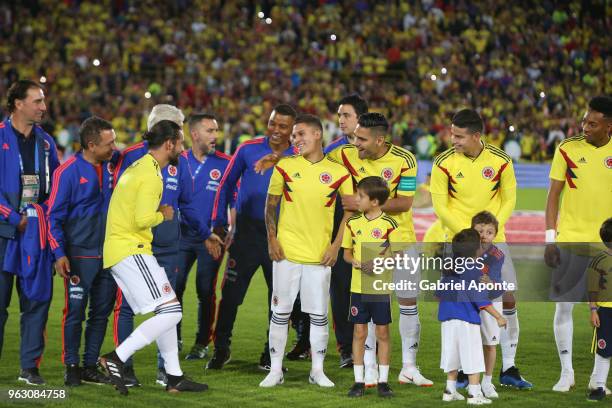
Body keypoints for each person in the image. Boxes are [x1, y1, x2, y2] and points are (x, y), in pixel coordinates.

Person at [99, 120, 207, 395]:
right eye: (180, 143)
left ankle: (174, 377)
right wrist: (164, 214)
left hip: (126, 248)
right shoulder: (150, 173)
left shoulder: (141, 167)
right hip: (130, 248)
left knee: (167, 308)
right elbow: (143, 219)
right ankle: (116, 358)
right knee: (173, 311)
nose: (182, 150)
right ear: (169, 143)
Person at [431, 109, 531, 389]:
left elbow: (509, 198)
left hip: (495, 241)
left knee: (507, 298)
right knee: (461, 303)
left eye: (459, 136)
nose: (454, 140)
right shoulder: (443, 163)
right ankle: (463, 370)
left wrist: (491, 233)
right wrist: (469, 238)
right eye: (452, 134)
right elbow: (440, 206)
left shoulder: (500, 160)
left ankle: (508, 367)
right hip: (459, 245)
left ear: (476, 136)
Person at [329, 112, 431, 386]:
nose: (356, 143)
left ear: (380, 140)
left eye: (362, 139)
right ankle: (371, 367)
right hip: (367, 245)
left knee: (408, 303)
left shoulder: (405, 160)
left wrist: (369, 204)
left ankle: (409, 367)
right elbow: (315, 158)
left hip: (401, 241)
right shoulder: (345, 155)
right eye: (354, 137)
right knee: (372, 307)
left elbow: (406, 202)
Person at [259, 114, 353, 388]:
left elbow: (349, 212)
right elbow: (270, 205)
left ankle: (317, 370)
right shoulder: (285, 166)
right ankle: (275, 370)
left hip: (319, 256)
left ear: (316, 135)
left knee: (319, 315)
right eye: (294, 136)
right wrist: (272, 239)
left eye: (300, 134)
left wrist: (336, 246)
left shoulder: (339, 172)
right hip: (286, 253)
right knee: (280, 313)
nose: (294, 140)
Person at [208, 104, 298, 370]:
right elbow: (225, 184)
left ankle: (271, 353)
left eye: (283, 126)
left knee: (279, 300)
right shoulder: (248, 149)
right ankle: (221, 349)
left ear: (293, 129)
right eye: (273, 123)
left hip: (282, 238)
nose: (276, 130)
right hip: (245, 235)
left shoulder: (300, 156)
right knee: (231, 296)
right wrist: (219, 223)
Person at [545, 95, 612, 392]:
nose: (585, 126)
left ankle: (597, 380)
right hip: (570, 240)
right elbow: (552, 196)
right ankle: (566, 373)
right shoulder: (567, 149)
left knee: (607, 313)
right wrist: (550, 238)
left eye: (593, 123)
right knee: (564, 309)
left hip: (606, 246)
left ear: (608, 126)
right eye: (584, 121)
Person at [47, 117, 119, 386]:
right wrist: (59, 253)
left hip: (109, 254)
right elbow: (53, 217)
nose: (114, 147)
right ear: (91, 145)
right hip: (79, 255)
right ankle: (71, 366)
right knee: (75, 312)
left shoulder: (113, 166)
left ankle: (89, 365)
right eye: (109, 143)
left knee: (100, 313)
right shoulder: (67, 172)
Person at [0, 79, 60, 385]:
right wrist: (11, 215)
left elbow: (57, 188)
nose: (43, 106)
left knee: (35, 302)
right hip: (3, 232)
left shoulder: (46, 143)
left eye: (43, 100)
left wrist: (45, 216)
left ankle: (29, 367)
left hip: (35, 233)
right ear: (18, 104)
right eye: (37, 101)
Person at [175, 113, 230, 361]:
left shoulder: (226, 163)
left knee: (205, 289)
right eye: (210, 131)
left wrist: (231, 228)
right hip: (182, 235)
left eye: (216, 130)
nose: (215, 136)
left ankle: (201, 343)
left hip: (213, 236)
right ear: (194, 134)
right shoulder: (177, 161)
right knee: (174, 289)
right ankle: (173, 338)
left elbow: (236, 199)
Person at [343, 176, 404, 398]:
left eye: (360, 196)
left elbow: (398, 256)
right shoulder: (353, 223)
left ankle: (384, 382)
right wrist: (356, 262)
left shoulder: (390, 224)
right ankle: (358, 381)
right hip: (358, 288)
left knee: (382, 332)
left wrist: (378, 262)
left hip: (379, 288)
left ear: (375, 202)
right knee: (359, 332)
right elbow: (347, 254)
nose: (356, 199)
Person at [324, 94, 369, 369]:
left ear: (361, 119)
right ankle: (345, 348)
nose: (340, 120)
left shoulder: (376, 150)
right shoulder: (333, 152)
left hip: (370, 233)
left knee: (368, 292)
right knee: (339, 290)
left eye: (346, 115)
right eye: (339, 115)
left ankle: (369, 347)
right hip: (341, 230)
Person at [438, 228, 507, 405]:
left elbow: (438, 293)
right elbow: (480, 299)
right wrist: (499, 317)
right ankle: (475, 395)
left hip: (447, 318)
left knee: (452, 355)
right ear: (476, 250)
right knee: (473, 356)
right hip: (466, 319)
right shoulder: (475, 269)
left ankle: (449, 391)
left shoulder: (448, 267)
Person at [586, 218, 612, 402]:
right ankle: (599, 386)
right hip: (605, 312)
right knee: (604, 349)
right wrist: (593, 310)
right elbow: (592, 288)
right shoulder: (598, 261)